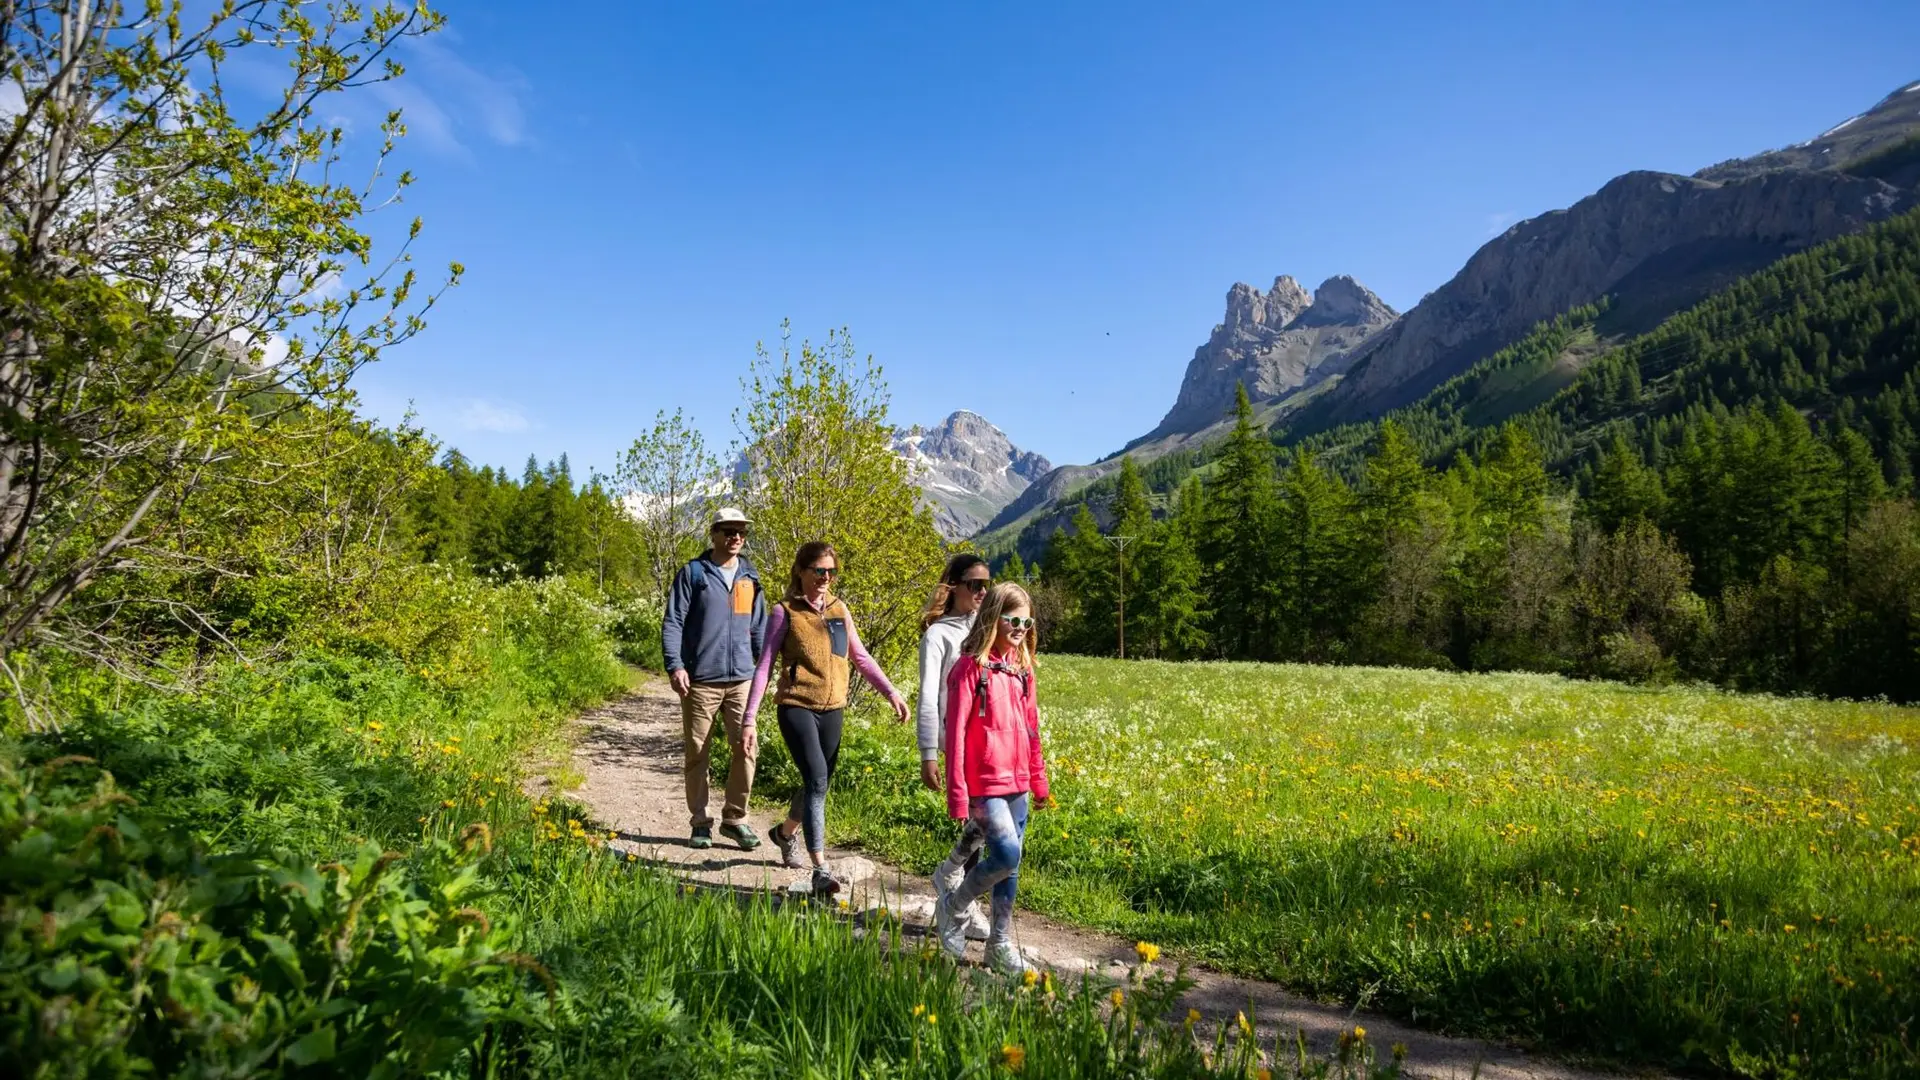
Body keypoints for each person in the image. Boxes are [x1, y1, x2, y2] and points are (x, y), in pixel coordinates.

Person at [744, 541, 910, 895]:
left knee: (816, 781)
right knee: (818, 779)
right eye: (819, 571)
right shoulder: (784, 611)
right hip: (796, 705)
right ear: (801, 571)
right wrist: (749, 719)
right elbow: (765, 666)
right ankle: (821, 868)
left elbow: (860, 656)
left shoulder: (838, 610)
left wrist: (891, 692)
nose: (826, 578)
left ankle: (785, 832)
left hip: (833, 708)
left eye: (831, 572)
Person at [935, 582, 1050, 975]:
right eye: (1012, 619)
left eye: (1026, 621)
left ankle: (998, 944)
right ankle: (954, 907)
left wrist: (1039, 781)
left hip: (1017, 780)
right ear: (993, 617)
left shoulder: (1021, 670)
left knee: (1011, 867)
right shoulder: (969, 668)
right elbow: (955, 734)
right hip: (983, 782)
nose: (1020, 627)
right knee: (1006, 854)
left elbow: (1031, 728)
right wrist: (957, 794)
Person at [661, 507, 767, 852]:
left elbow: (758, 629)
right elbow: (673, 621)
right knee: (697, 753)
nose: (736, 537)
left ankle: (735, 819)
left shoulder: (750, 577)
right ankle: (700, 823)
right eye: (728, 531)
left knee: (747, 748)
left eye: (741, 532)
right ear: (714, 534)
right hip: (700, 680)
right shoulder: (693, 573)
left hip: (742, 680)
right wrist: (675, 665)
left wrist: (765, 669)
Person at [917, 553, 993, 942]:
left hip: (991, 742)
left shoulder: (990, 630)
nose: (982, 592)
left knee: (982, 822)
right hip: (958, 742)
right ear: (954, 587)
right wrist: (928, 751)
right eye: (974, 584)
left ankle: (959, 896)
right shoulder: (938, 635)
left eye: (986, 585)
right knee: (980, 818)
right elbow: (928, 697)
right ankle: (960, 901)